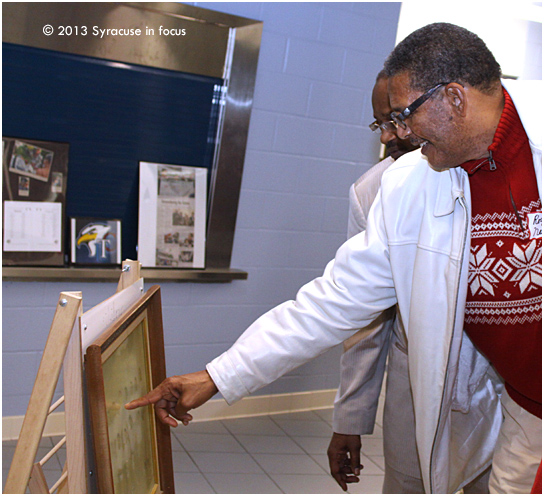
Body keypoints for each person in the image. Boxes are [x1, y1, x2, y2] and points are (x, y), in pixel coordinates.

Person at [127, 23, 541, 493]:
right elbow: (330, 303)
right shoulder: (410, 186)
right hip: (529, 403)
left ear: (454, 98)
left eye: (405, 115)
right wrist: (217, 376)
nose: (398, 134)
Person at [326, 70, 424, 493]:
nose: (387, 137)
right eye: (379, 124)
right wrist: (350, 418)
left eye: (397, 119)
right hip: (412, 387)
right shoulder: (371, 190)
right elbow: (364, 316)